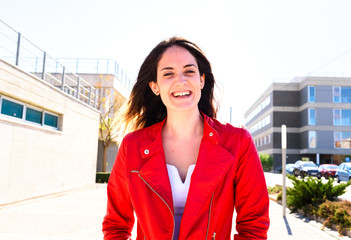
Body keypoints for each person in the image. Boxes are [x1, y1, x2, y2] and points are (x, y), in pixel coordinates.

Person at [102, 37, 270, 240]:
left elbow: (254, 226)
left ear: (202, 80)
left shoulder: (238, 142)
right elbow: (115, 225)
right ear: (155, 86)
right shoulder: (132, 146)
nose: (180, 80)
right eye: (168, 73)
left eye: (189, 71)